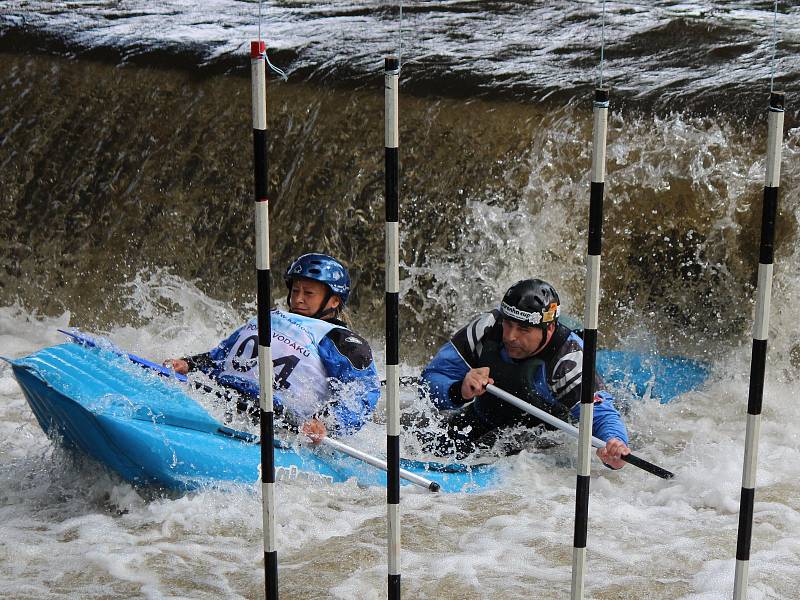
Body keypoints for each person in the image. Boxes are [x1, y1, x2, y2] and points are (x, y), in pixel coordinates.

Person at [164, 253, 380, 444]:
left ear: (333, 301)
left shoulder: (342, 341)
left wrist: (324, 423)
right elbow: (221, 356)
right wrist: (189, 364)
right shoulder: (270, 317)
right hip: (220, 400)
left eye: (308, 293)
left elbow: (362, 393)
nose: (298, 299)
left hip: (278, 424)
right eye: (295, 290)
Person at [419, 278, 630, 467]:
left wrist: (614, 445)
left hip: (545, 442)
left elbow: (599, 416)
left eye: (523, 329)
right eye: (508, 324)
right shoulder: (487, 329)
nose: (510, 336)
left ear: (548, 330)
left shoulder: (568, 358)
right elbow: (428, 383)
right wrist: (459, 390)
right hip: (485, 421)